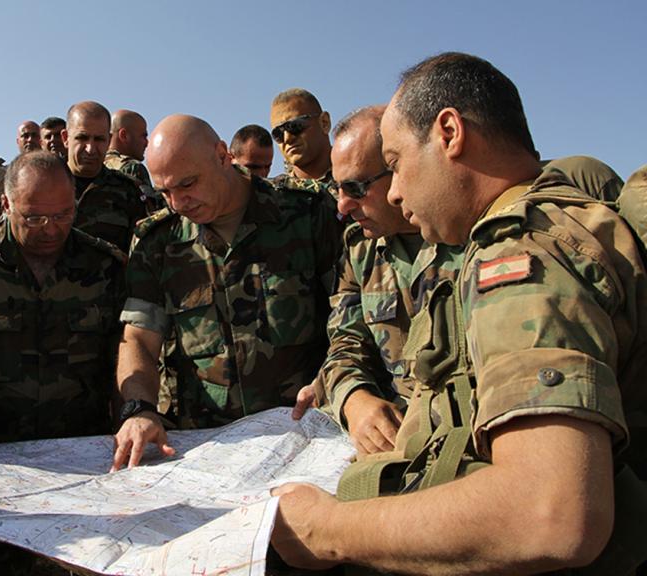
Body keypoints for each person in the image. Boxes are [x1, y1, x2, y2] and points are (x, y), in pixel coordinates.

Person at [271, 52, 647, 574]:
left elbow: (550, 514)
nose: (397, 190)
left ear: (449, 132)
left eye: (397, 164)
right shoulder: (551, 221)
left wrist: (327, 531)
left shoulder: (517, 251)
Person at [0, 150, 126, 575]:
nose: (51, 229)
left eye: (63, 215)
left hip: (79, 455)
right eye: (34, 217)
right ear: (6, 205)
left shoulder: (104, 265)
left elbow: (122, 348)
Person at [111, 114, 343, 470]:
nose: (177, 202)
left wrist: (335, 379)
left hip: (308, 437)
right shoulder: (158, 242)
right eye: (165, 192)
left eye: (187, 184)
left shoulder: (307, 213)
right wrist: (139, 409)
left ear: (222, 155)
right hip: (206, 448)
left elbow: (349, 314)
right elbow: (139, 340)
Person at [293, 106, 424, 456]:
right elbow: (345, 344)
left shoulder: (473, 239)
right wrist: (355, 399)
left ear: (399, 168)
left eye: (356, 187)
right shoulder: (361, 250)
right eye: (338, 188)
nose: (342, 206)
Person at [63, 101, 159, 252]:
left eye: (99, 139)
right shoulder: (43, 185)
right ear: (65, 138)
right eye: (82, 138)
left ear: (109, 140)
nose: (90, 149)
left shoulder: (129, 191)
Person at [269, 88, 335, 198]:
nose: (287, 139)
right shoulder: (274, 196)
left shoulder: (360, 181)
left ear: (324, 123)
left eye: (295, 126)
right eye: (278, 133)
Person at [104, 109, 153, 188]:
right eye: (143, 136)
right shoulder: (132, 167)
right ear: (124, 135)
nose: (146, 143)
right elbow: (148, 200)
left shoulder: (94, 165)